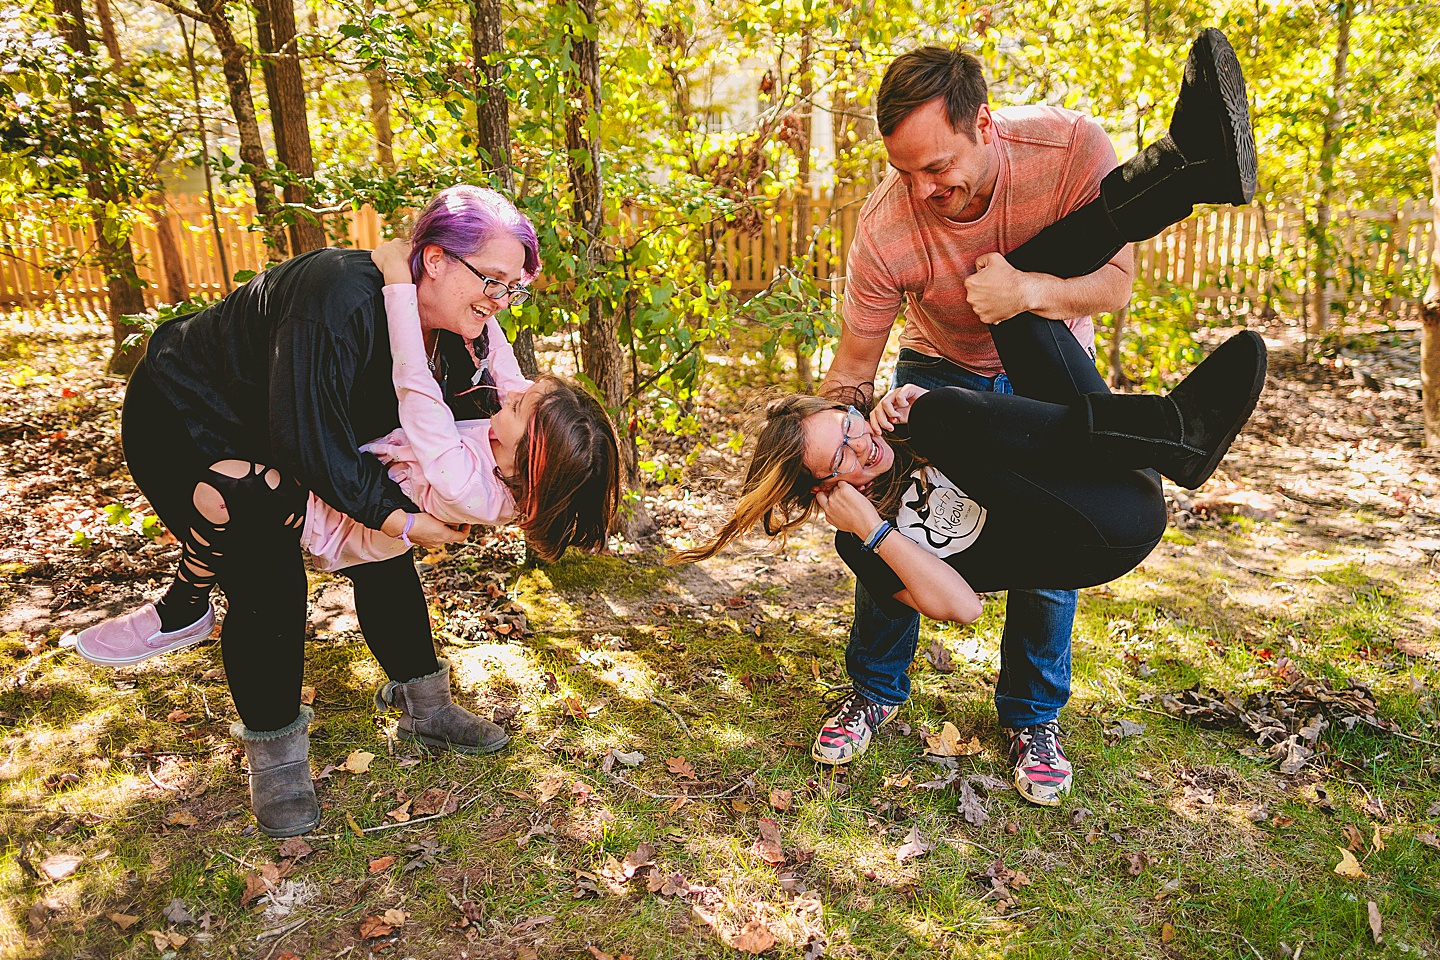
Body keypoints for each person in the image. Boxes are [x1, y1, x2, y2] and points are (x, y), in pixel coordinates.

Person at [677, 29, 1260, 806]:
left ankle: (1032, 718)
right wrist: (854, 433)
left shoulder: (1066, 147)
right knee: (908, 527)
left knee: (1040, 543)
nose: (922, 189)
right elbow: (853, 367)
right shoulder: (887, 228)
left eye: (937, 166)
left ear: (983, 123)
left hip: (1041, 344)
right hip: (938, 371)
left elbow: (1113, 285)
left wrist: (1026, 297)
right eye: (904, 172)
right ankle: (875, 690)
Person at [72, 185, 614, 838]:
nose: (499, 303)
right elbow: (307, 439)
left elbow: (480, 418)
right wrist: (406, 519)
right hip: (191, 413)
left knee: (385, 556)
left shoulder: (457, 330)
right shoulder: (339, 294)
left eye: (511, 288)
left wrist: (428, 514)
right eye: (491, 281)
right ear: (436, 260)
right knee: (269, 576)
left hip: (293, 427)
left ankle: (425, 705)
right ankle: (274, 755)